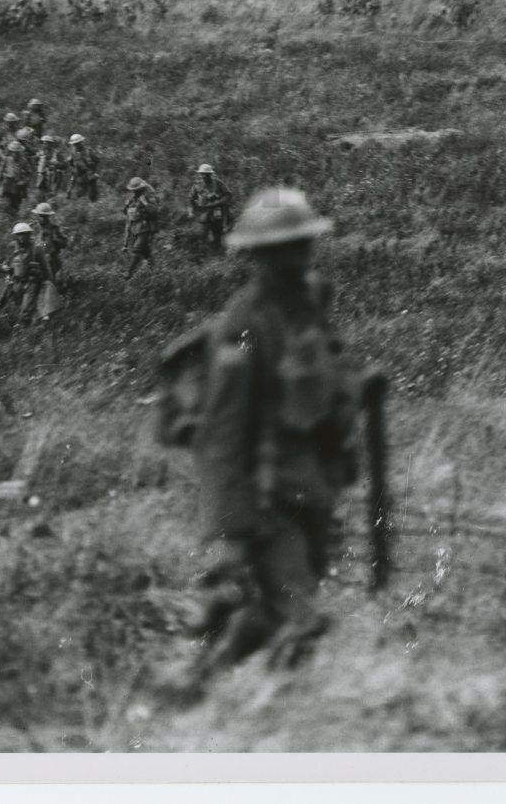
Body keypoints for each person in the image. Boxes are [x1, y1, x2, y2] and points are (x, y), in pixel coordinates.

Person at [184, 188, 360, 681]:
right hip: (268, 496)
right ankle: (288, 721)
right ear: (259, 256)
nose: (297, 256)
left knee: (274, 612)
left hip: (314, 487)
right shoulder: (244, 326)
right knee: (301, 615)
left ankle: (196, 684)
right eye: (284, 248)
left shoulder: (307, 308)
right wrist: (231, 532)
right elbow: (221, 431)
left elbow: (323, 386)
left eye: (302, 243)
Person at [0, 222, 57, 326]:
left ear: (29, 234)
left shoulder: (37, 248)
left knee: (26, 307)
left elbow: (45, 267)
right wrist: (4, 267)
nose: (21, 237)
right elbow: (4, 261)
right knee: (10, 302)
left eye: (24, 234)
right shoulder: (12, 247)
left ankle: (24, 328)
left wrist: (50, 283)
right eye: (19, 234)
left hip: (31, 281)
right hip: (16, 280)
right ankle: (4, 320)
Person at [189, 164, 235, 250]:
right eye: (202, 173)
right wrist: (192, 210)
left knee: (221, 229)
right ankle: (205, 250)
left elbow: (228, 195)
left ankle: (221, 247)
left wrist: (218, 203)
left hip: (218, 209)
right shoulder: (197, 184)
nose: (203, 176)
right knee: (202, 232)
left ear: (210, 174)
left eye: (205, 174)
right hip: (204, 211)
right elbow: (191, 198)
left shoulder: (218, 183)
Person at [123, 177, 158, 278]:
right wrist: (126, 206)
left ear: (141, 189)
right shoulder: (132, 198)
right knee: (145, 252)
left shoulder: (148, 196)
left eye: (136, 190)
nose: (134, 192)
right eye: (133, 190)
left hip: (145, 228)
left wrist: (145, 203)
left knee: (137, 249)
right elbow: (128, 213)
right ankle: (154, 270)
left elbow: (154, 212)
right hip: (135, 228)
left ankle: (129, 273)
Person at [30, 203, 68, 281]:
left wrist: (56, 240)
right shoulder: (31, 228)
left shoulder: (55, 228)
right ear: (37, 215)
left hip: (51, 260)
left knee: (53, 282)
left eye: (45, 216)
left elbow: (64, 243)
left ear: (48, 216)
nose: (43, 218)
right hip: (33, 259)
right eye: (40, 216)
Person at [0, 140, 29, 217]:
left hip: (18, 186)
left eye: (17, 152)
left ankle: (14, 218)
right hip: (7, 185)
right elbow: (0, 173)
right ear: (11, 151)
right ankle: (6, 218)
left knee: (16, 204)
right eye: (14, 152)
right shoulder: (6, 160)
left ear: (20, 152)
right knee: (6, 203)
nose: (15, 154)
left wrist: (23, 181)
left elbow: (29, 173)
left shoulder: (23, 161)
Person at [66, 133, 100, 201]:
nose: (76, 145)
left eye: (78, 143)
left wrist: (95, 172)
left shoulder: (88, 151)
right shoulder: (73, 153)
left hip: (90, 177)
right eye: (74, 144)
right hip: (79, 178)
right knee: (80, 196)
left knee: (92, 197)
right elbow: (71, 164)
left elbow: (97, 161)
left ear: (81, 142)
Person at [35, 135, 66, 200]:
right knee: (40, 193)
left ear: (50, 144)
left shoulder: (56, 154)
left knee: (51, 195)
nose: (44, 145)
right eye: (43, 143)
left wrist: (56, 163)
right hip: (41, 176)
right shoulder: (40, 153)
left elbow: (65, 165)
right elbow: (35, 163)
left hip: (53, 176)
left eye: (46, 143)